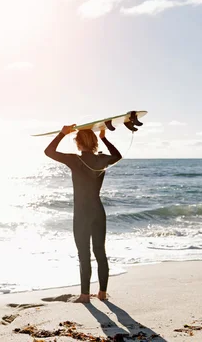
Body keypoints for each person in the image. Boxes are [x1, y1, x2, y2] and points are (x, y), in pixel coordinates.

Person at [44, 125, 122, 304]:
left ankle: (85, 295)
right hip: (98, 210)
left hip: (81, 212)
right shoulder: (102, 159)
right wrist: (104, 137)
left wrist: (62, 133)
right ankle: (102, 293)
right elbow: (118, 156)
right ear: (94, 143)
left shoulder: (74, 160)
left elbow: (48, 151)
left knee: (84, 254)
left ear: (78, 143)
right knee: (100, 252)